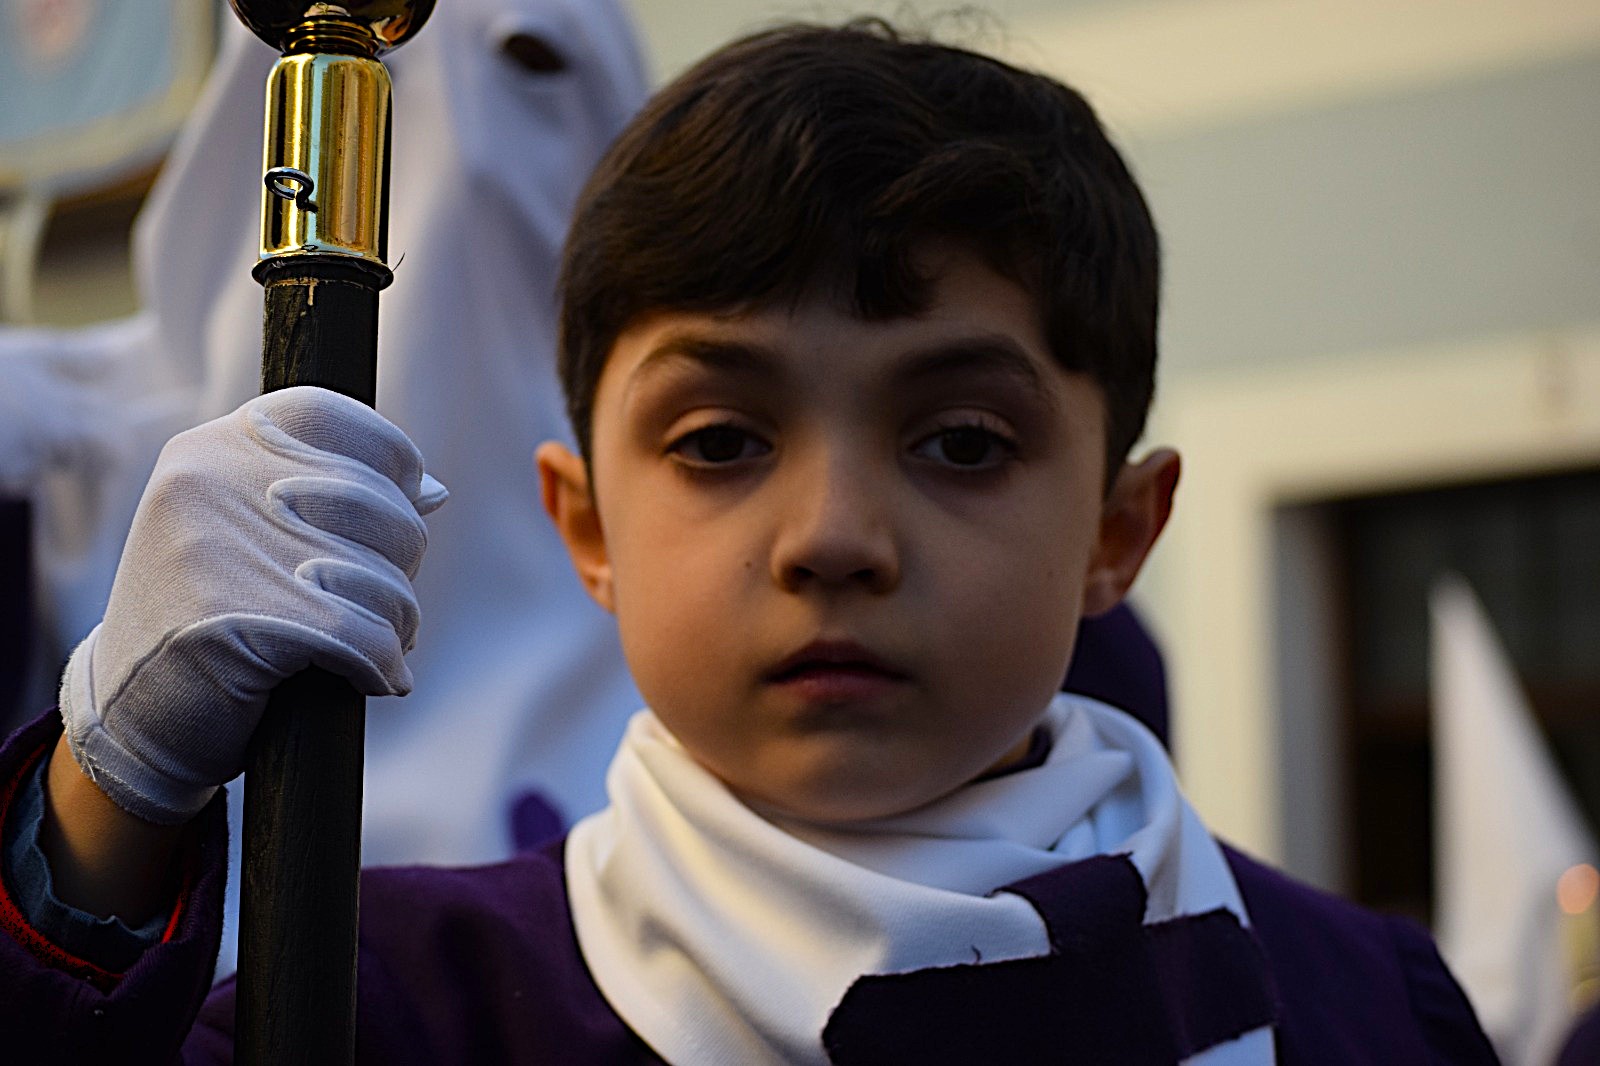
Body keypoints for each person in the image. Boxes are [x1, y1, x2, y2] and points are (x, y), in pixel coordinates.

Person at [0, 20, 1497, 1064]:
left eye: (962, 443)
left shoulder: (1365, 1006)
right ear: (586, 523)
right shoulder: (381, 1006)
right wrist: (108, 794)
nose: (833, 539)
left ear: (1119, 528)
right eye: (720, 441)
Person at [0, 0, 650, 973]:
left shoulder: (694, 510)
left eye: (523, 56)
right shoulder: (52, 462)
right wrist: (120, 765)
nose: (455, 156)